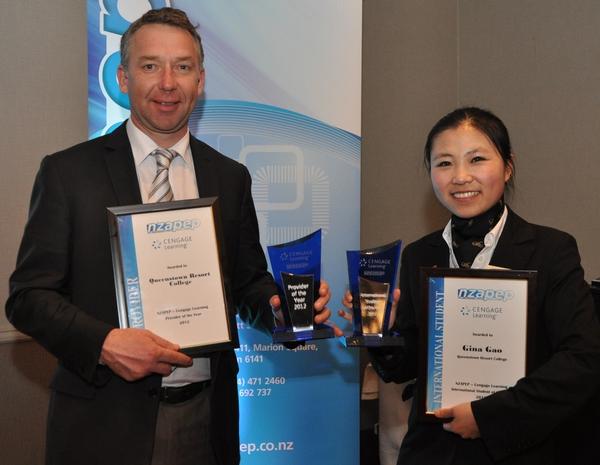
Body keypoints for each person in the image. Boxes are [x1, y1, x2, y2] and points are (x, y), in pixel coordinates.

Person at [5, 8, 332, 465]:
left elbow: (246, 284)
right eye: (150, 65)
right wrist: (103, 343)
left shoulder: (229, 176)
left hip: (205, 419)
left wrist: (281, 310)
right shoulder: (68, 172)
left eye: (182, 66)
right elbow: (28, 297)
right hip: (101, 423)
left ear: (200, 80)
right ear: (123, 77)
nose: (167, 83)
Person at [341, 107, 600, 464]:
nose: (460, 176)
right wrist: (379, 334)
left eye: (476, 159)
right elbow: (407, 366)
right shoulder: (421, 254)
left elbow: (583, 360)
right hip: (430, 452)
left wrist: (488, 416)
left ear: (508, 166)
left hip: (520, 450)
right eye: (444, 163)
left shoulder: (551, 251)